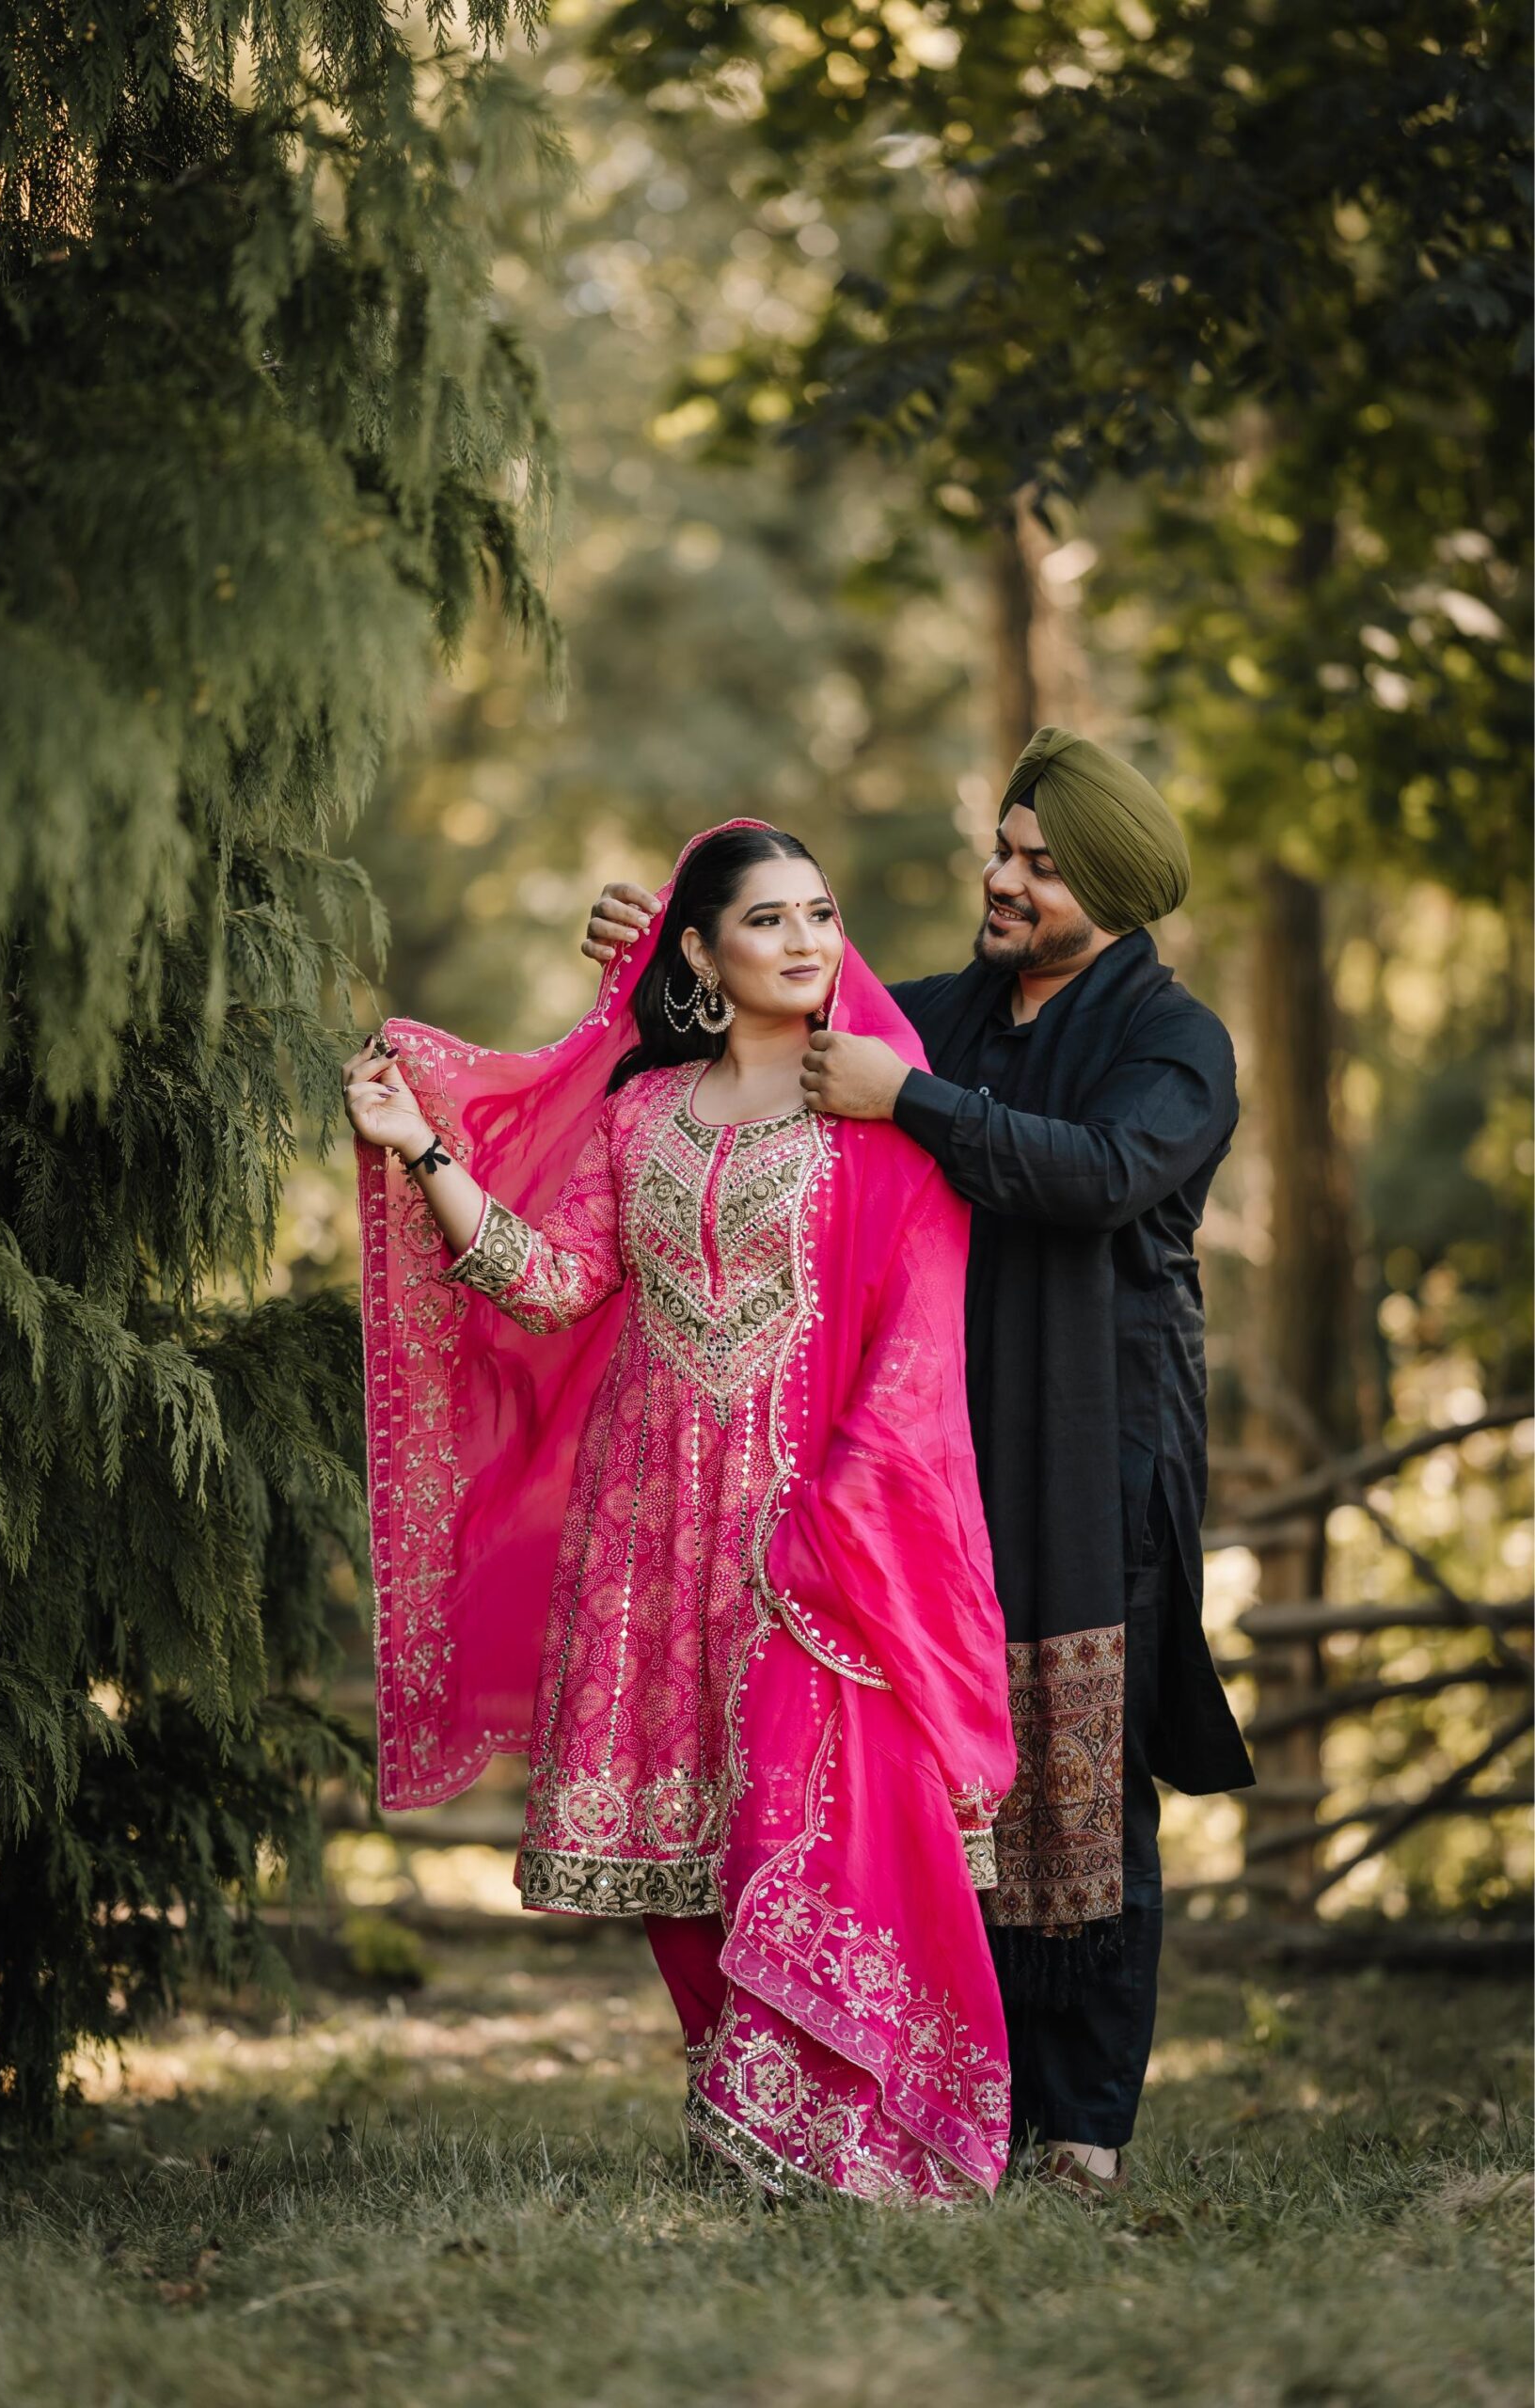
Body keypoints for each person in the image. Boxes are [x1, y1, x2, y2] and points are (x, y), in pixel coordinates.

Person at [582, 732, 1255, 2197]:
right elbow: (780, 1005)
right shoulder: (947, 1014)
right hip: (923, 1455)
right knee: (942, 1771)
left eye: (1040, 865)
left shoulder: (1174, 1045)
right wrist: (661, 950)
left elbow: (1098, 1175)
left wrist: (914, 1102)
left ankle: (1082, 2125)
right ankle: (959, 2081)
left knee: (1083, 1779)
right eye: (1003, 848)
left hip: (1091, 1458)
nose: (1002, 878)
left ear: (1112, 894)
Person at [346, 821, 1016, 2204]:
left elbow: (919, 1337)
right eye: (769, 919)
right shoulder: (640, 1112)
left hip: (810, 1533)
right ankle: (737, 2106)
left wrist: (841, 1517)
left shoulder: (875, 1116)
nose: (807, 941)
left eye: (822, 914)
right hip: (647, 1531)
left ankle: (848, 2122)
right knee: (676, 1831)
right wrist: (422, 1151)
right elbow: (550, 1283)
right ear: (698, 954)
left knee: (796, 1806)